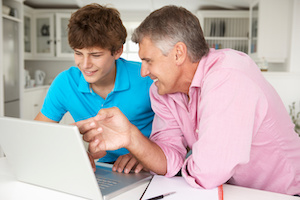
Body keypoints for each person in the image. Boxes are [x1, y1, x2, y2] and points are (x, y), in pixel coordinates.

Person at [76, 5, 300, 196]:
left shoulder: (229, 75)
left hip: (285, 193)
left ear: (178, 53)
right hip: (232, 191)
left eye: (148, 61)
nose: (143, 72)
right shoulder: (162, 92)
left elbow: (208, 172)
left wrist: (179, 164)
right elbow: (168, 159)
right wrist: (131, 137)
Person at [34, 3, 154, 172]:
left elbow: (181, 137)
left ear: (118, 51)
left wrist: (146, 154)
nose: (85, 65)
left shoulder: (147, 78)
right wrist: (71, 148)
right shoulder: (65, 83)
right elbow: (36, 135)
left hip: (148, 170)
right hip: (101, 170)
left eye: (95, 55)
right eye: (78, 53)